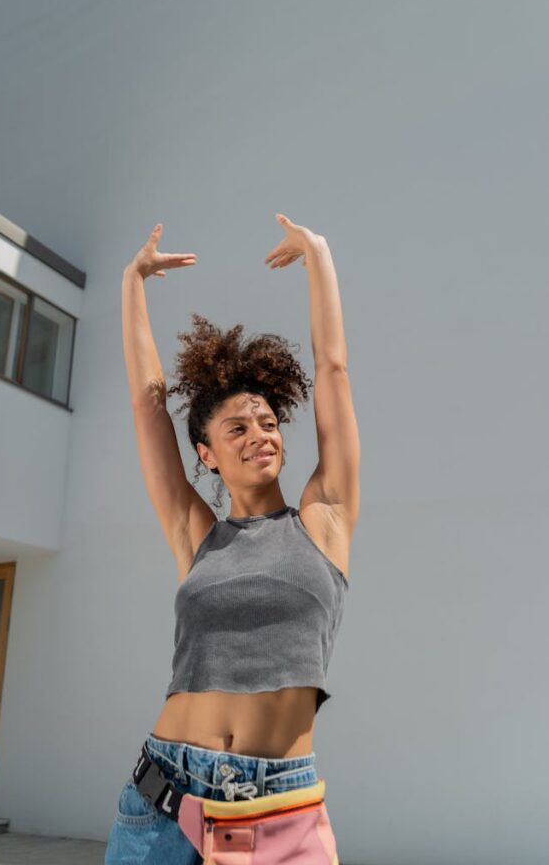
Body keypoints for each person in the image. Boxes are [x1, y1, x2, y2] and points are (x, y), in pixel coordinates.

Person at [107, 214, 360, 864]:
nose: (260, 434)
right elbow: (146, 404)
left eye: (268, 421)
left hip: (277, 808)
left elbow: (332, 370)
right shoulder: (197, 535)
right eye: (237, 428)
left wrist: (319, 254)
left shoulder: (324, 519)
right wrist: (131, 281)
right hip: (159, 800)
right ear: (207, 453)